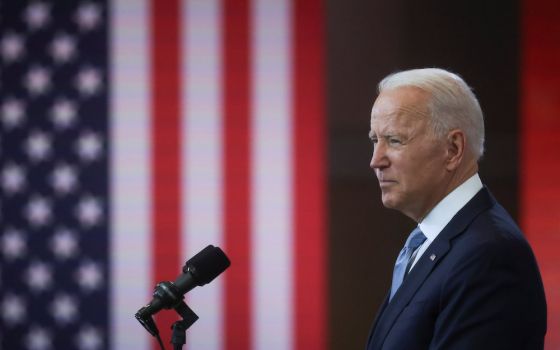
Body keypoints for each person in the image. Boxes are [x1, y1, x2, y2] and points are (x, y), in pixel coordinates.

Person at [365, 68, 547, 349]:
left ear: (452, 149)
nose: (376, 161)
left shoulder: (492, 256)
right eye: (375, 140)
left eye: (394, 140)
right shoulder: (431, 243)